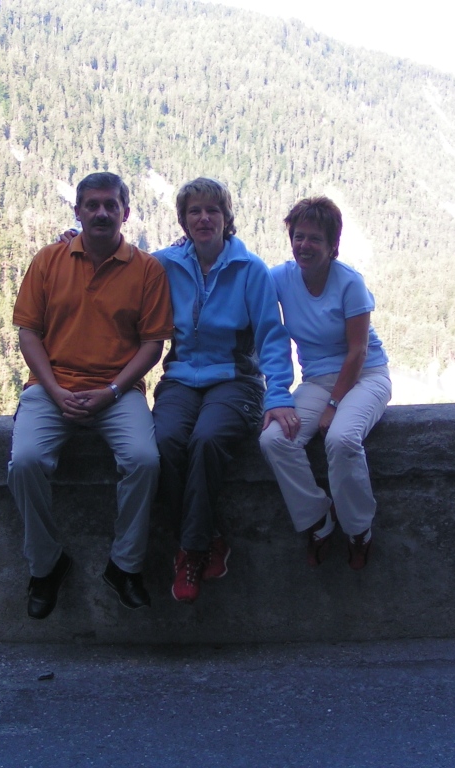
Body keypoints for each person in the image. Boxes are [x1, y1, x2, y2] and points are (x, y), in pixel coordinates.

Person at [7, 172, 173, 620]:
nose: (102, 213)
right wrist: (55, 389)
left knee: (144, 460)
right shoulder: (49, 261)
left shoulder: (147, 270)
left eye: (110, 205)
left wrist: (113, 390)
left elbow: (152, 344)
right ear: (77, 211)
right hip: (50, 388)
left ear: (126, 212)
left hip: (118, 392)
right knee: (25, 463)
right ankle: (46, 565)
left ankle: (125, 565)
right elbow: (29, 333)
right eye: (92, 205)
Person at [153, 178, 298, 603]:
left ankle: (192, 552)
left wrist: (278, 395)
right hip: (181, 377)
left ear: (226, 217)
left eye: (212, 210)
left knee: (208, 439)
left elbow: (271, 337)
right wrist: (74, 237)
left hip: (235, 379)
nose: (204, 218)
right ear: (183, 220)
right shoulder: (164, 265)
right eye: (194, 211)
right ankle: (210, 537)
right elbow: (118, 263)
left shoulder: (250, 269)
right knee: (163, 442)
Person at [259, 196, 392, 570]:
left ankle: (358, 529)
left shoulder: (349, 282)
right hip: (317, 379)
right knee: (274, 439)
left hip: (365, 376)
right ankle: (318, 517)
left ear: (333, 245)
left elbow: (358, 351)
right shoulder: (280, 278)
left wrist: (333, 406)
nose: (304, 245)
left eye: (315, 238)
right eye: (298, 236)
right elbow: (244, 280)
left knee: (341, 439)